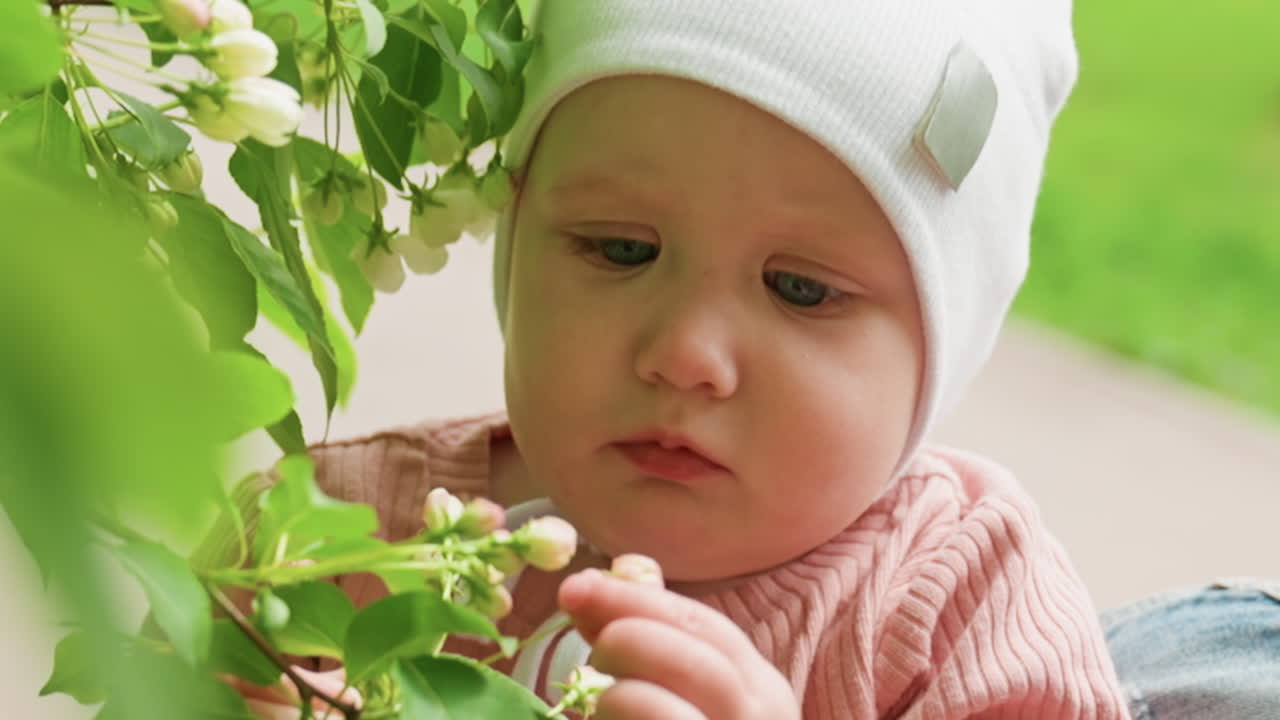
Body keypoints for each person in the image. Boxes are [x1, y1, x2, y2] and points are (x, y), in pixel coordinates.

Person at [239, 0, 1137, 717]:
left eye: (801, 289)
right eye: (621, 249)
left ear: (939, 352)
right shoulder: (327, 540)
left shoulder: (958, 610)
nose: (684, 355)